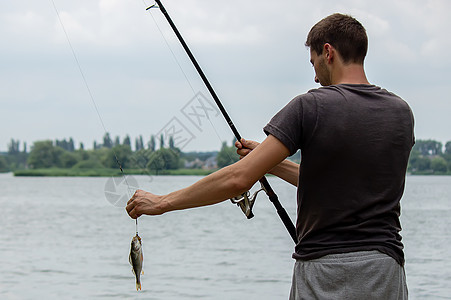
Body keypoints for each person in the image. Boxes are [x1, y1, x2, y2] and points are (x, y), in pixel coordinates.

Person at [126, 13, 413, 299]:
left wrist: (162, 202)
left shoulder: (309, 106)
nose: (314, 76)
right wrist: (271, 164)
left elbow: (238, 179)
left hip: (325, 271)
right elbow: (338, 185)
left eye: (313, 63)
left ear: (328, 52)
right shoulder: (401, 113)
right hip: (386, 269)